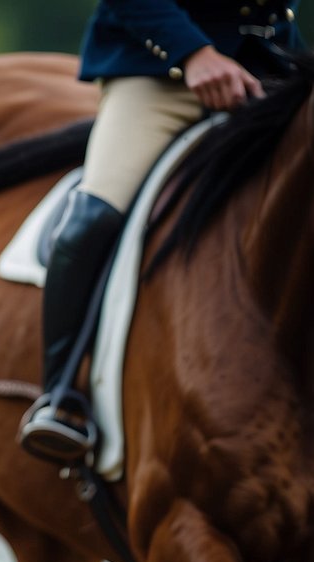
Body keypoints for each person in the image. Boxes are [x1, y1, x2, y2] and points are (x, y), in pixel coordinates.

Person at [18, 0, 301, 462]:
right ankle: (62, 392)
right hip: (162, 72)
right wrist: (193, 54)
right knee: (94, 218)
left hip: (275, 69)